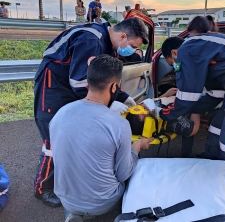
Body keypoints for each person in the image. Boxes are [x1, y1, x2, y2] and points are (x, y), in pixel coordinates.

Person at [142, 21, 225, 187]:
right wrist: (189, 107)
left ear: (175, 53)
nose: (175, 68)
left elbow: (187, 95)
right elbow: (214, 95)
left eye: (172, 63)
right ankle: (211, 162)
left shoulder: (187, 51)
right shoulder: (200, 50)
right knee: (217, 126)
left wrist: (162, 112)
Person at [33, 17, 148, 208]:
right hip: (54, 89)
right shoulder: (91, 40)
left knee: (77, 136)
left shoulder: (108, 44)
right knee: (53, 140)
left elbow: (104, 81)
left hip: (71, 88)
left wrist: (124, 98)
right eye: (133, 46)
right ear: (123, 36)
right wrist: (108, 106)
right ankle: (42, 188)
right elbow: (80, 83)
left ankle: (73, 181)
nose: (132, 51)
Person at [50, 55, 153, 222]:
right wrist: (137, 146)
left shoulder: (60, 113)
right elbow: (123, 174)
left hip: (65, 198)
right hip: (102, 203)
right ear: (114, 87)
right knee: (133, 162)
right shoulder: (119, 125)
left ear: (89, 82)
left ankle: (73, 213)